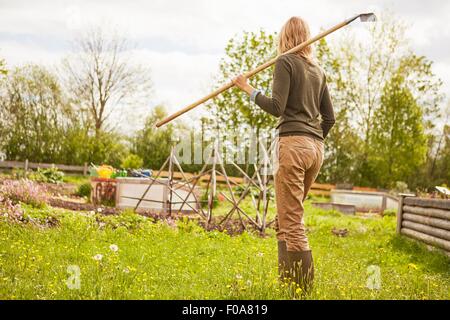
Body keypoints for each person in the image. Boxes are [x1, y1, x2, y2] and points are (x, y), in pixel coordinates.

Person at [232, 16, 335, 293]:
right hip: (316, 149)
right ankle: (288, 283)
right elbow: (330, 119)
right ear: (306, 37)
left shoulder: (285, 62)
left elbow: (277, 106)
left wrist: (247, 88)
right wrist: (312, 139)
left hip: (293, 145)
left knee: (291, 219)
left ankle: (302, 291)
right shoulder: (318, 70)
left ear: (284, 38)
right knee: (284, 217)